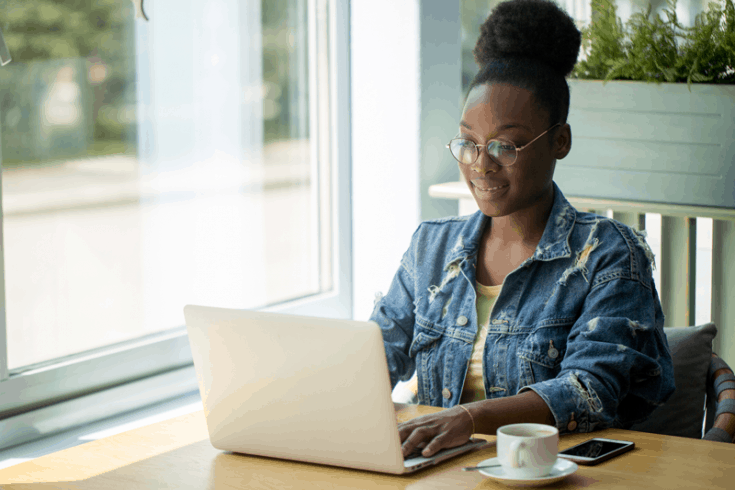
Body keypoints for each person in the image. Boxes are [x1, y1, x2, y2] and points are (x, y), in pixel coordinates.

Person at [369, 0, 675, 459]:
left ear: (560, 141)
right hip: (436, 472)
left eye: (504, 145)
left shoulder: (609, 255)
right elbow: (373, 362)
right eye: (468, 144)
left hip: (555, 475)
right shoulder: (431, 247)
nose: (481, 165)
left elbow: (589, 390)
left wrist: (468, 419)